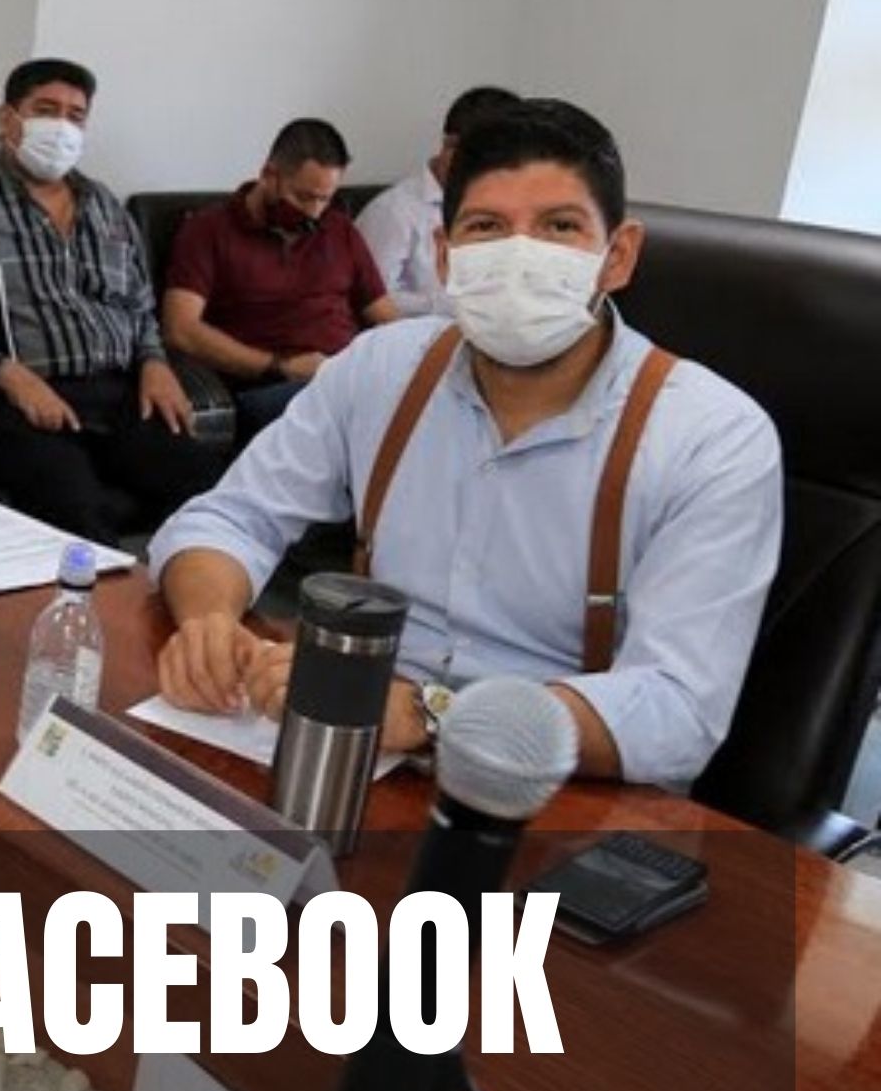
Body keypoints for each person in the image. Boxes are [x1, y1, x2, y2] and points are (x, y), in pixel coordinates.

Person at [150, 99, 782, 788]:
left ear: (618, 255)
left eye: (560, 226)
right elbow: (232, 517)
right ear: (446, 257)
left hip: (557, 782)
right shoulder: (382, 368)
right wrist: (209, 622)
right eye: (486, 227)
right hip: (356, 744)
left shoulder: (712, 436)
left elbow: (676, 711)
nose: (520, 257)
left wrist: (432, 715)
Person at [0, 57, 222, 547]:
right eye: (46, 111)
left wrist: (155, 362)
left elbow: (139, 306)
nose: (62, 127)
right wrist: (9, 374)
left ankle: (198, 597)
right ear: (7, 119)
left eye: (75, 116)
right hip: (18, 400)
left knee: (213, 496)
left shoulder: (105, 206)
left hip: (121, 394)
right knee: (80, 520)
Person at [162, 118, 399, 440]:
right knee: (362, 413)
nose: (314, 212)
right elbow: (180, 330)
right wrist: (279, 366)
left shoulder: (338, 229)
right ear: (268, 175)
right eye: (303, 197)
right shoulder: (208, 230)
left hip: (348, 374)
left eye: (325, 199)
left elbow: (385, 315)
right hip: (268, 386)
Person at [356, 86, 524, 318]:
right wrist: (447, 304)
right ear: (450, 146)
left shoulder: (503, 206)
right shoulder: (393, 211)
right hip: (422, 333)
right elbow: (371, 298)